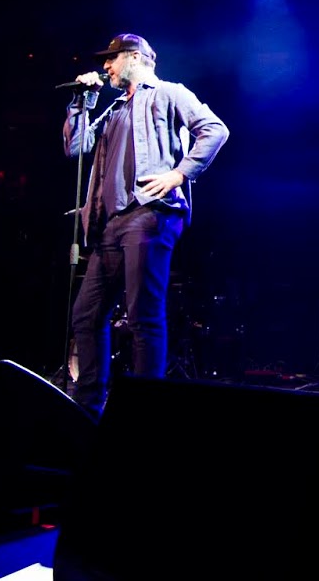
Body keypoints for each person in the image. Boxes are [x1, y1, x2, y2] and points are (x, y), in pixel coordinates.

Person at [61, 32, 229, 418]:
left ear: (134, 57)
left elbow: (215, 129)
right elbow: (76, 147)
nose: (106, 66)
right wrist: (82, 102)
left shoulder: (169, 93)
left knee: (143, 316)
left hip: (149, 214)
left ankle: (144, 413)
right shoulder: (113, 108)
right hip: (108, 225)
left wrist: (179, 174)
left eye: (112, 58)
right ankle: (88, 408)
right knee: (86, 315)